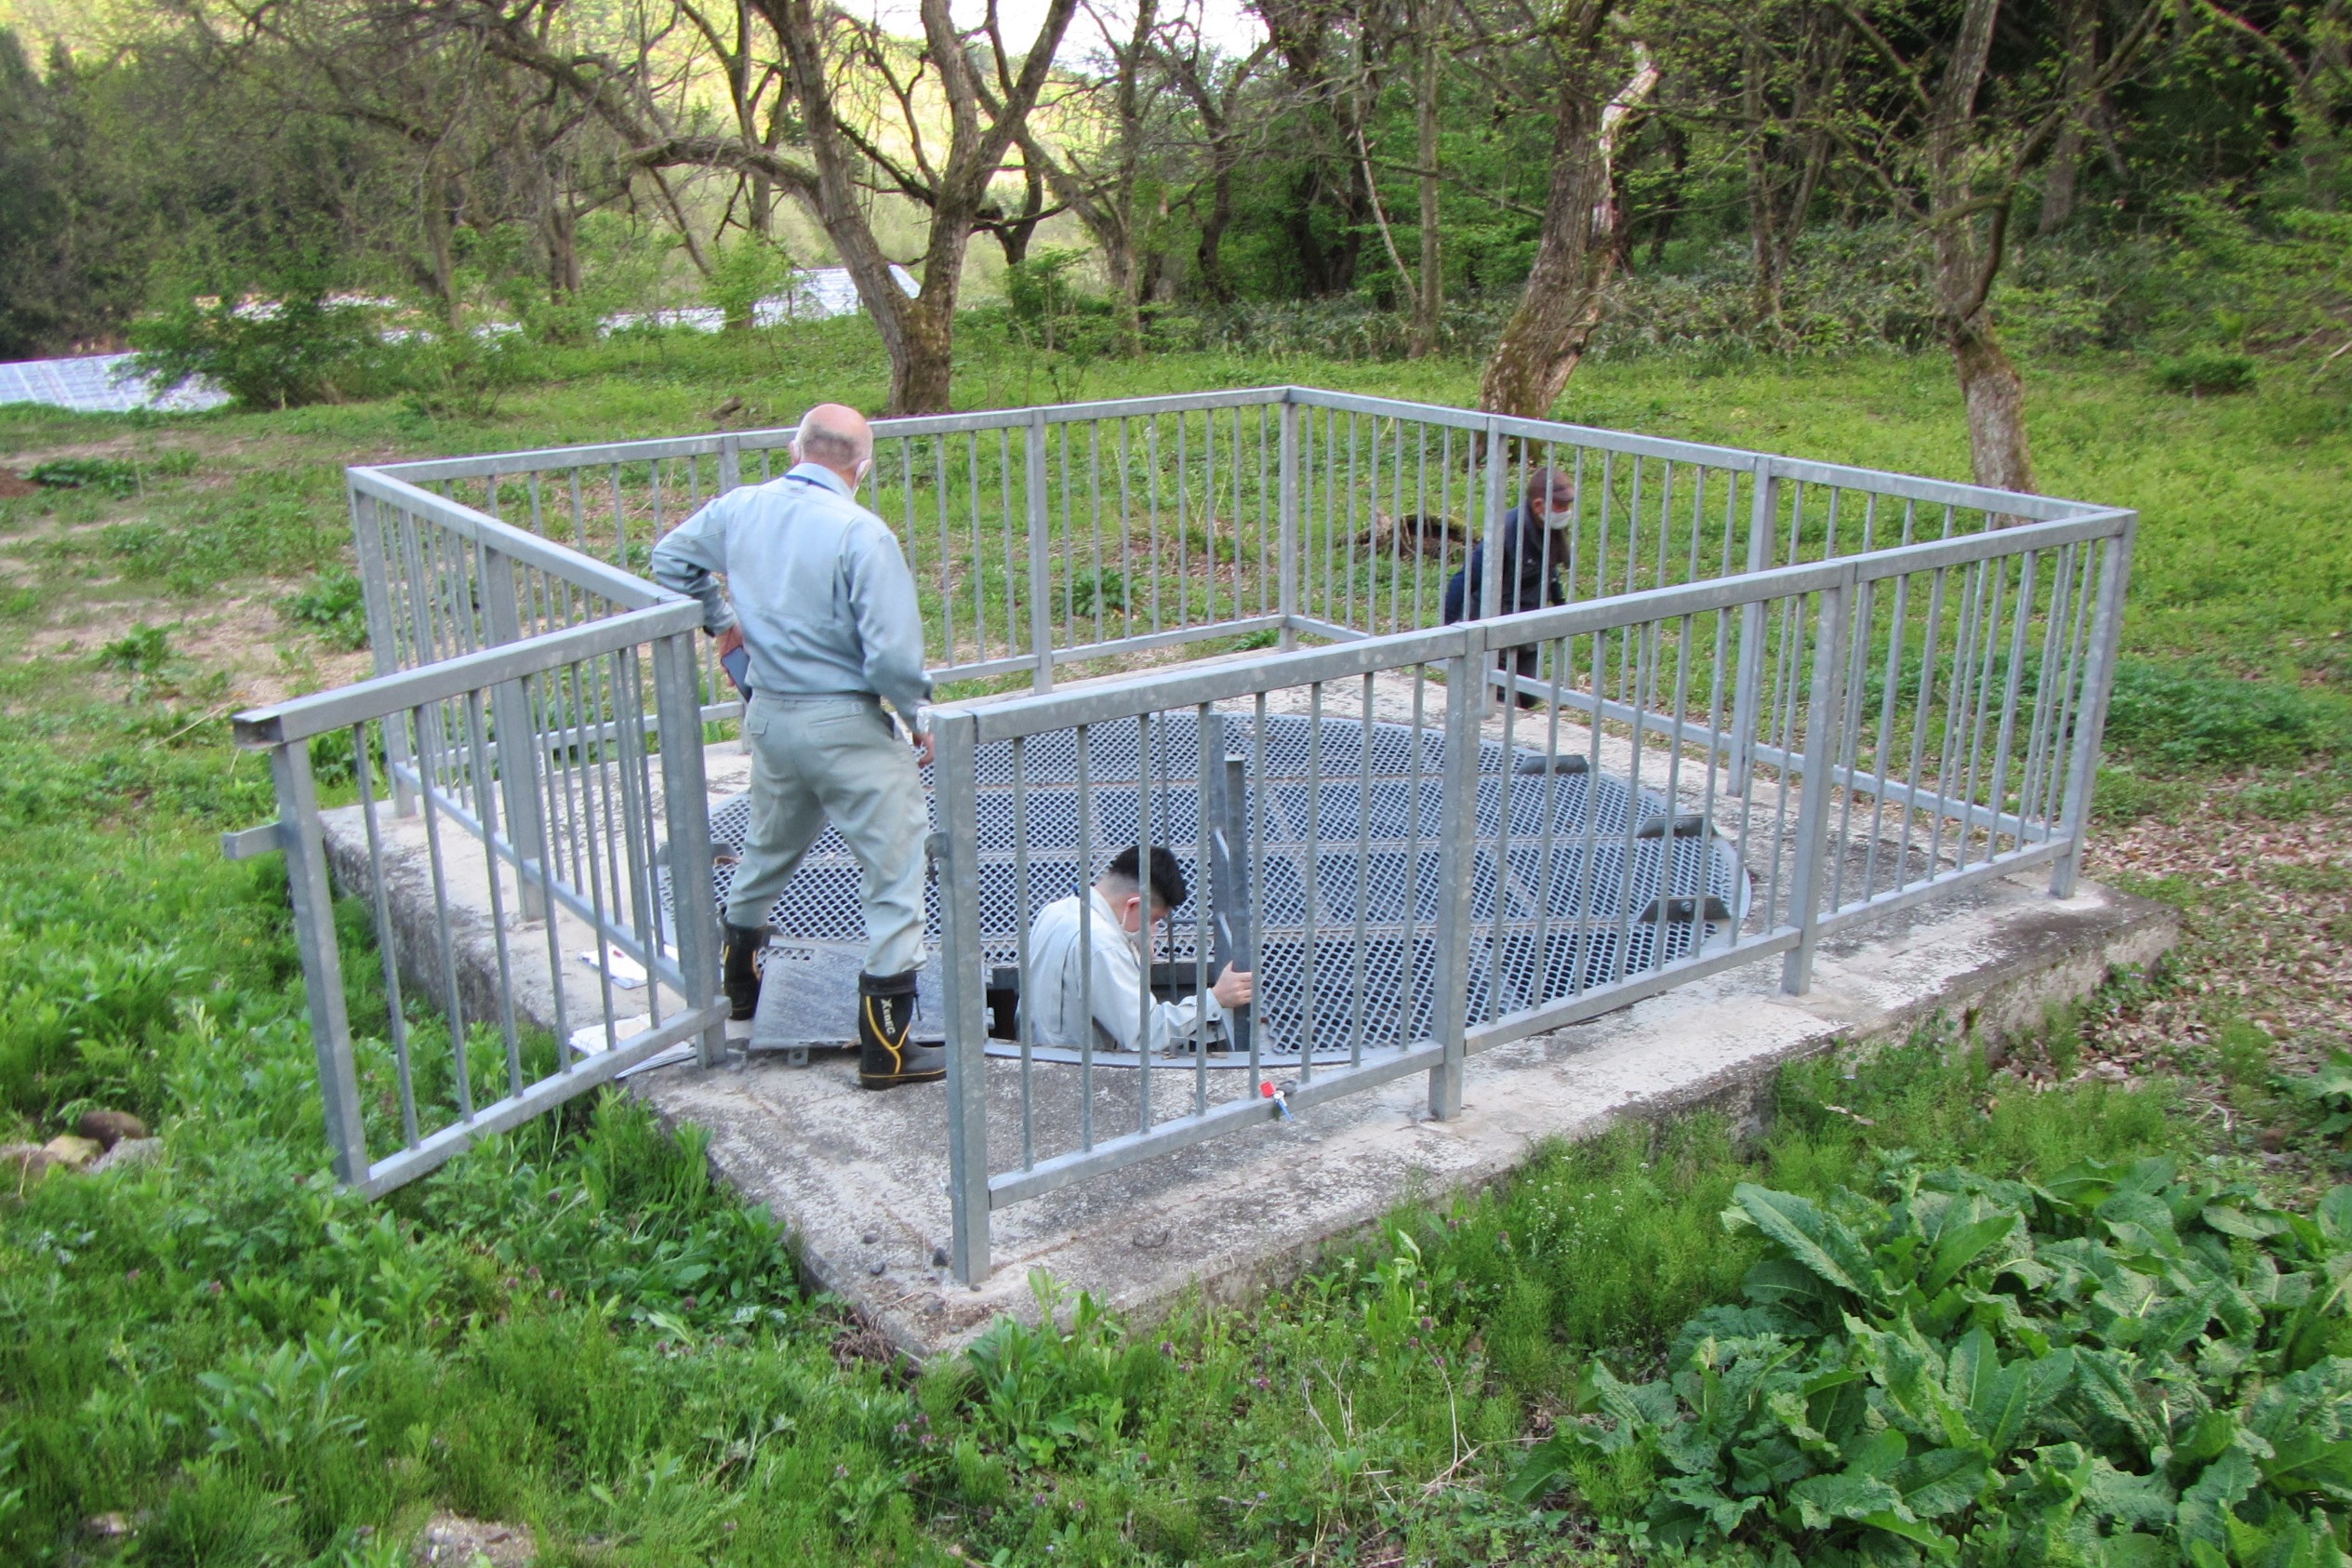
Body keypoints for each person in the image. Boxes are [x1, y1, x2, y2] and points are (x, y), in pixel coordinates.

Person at [649, 404, 943, 1091]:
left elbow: (670, 558)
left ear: (794, 449)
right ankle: (887, 1049)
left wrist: (724, 623)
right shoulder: (861, 534)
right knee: (896, 873)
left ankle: (740, 986)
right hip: (844, 725)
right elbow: (892, 655)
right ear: (860, 468)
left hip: (772, 718)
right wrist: (917, 715)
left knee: (768, 847)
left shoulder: (740, 509)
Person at [1025, 846, 1255, 1056]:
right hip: (1077, 1075)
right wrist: (1216, 999)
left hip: (1039, 1053)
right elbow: (1145, 1035)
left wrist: (1134, 948)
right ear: (1134, 904)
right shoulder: (1103, 945)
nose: (1153, 929)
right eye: (1154, 919)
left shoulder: (1055, 911)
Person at [1442, 466, 1576, 708]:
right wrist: (1448, 629)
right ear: (1538, 505)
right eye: (1561, 506)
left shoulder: (1550, 529)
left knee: (1528, 696)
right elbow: (1465, 578)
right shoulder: (1507, 533)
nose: (1566, 512)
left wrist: (1560, 605)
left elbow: (1549, 568)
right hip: (1497, 624)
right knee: (1500, 697)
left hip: (1527, 620)